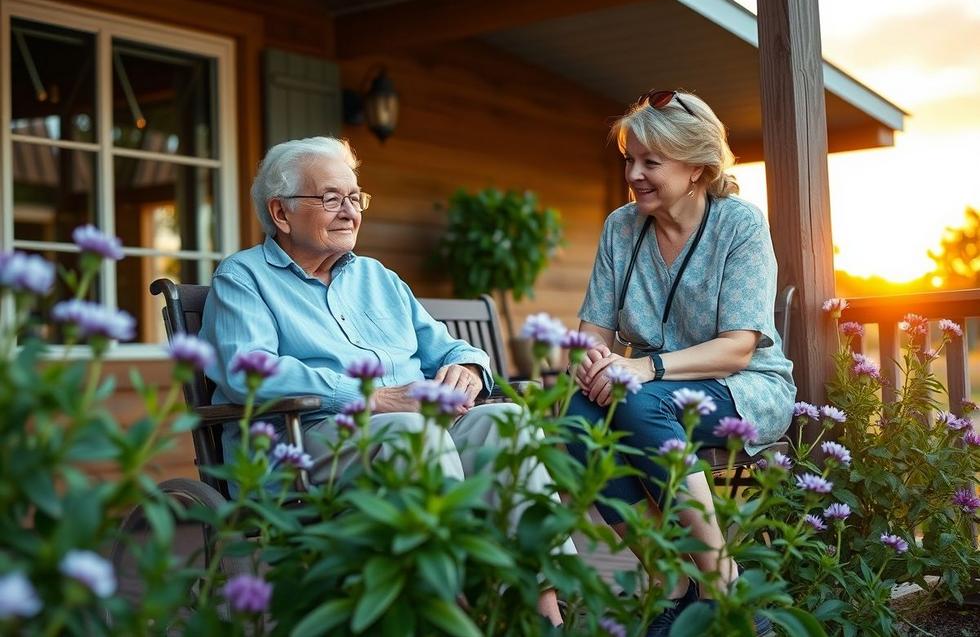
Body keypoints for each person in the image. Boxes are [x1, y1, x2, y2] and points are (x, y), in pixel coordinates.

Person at [199, 136, 573, 626]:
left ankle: (543, 612)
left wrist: (470, 369)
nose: (350, 211)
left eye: (356, 198)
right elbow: (250, 370)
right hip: (304, 439)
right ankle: (452, 609)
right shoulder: (243, 278)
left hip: (414, 425)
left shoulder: (380, 278)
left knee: (504, 420)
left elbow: (453, 347)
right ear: (281, 212)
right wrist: (371, 398)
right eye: (331, 198)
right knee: (414, 436)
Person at [567, 90, 795, 636]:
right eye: (630, 160)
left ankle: (723, 584)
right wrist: (593, 359)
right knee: (576, 417)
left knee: (639, 402)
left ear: (696, 167)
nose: (635, 174)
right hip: (644, 393)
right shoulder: (622, 228)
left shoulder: (738, 225)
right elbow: (592, 330)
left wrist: (646, 369)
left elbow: (739, 346)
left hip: (744, 387)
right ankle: (668, 579)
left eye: (651, 162)